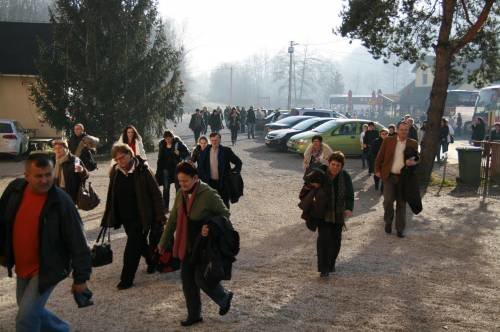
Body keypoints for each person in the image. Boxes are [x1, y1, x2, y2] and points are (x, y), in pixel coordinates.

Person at [0, 153, 91, 332]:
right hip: (22, 265)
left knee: (25, 319)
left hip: (47, 267)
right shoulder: (14, 190)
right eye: (38, 176)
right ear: (26, 176)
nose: (44, 180)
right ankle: (62, 329)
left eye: (48, 175)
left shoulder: (61, 202)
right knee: (29, 309)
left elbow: (78, 240)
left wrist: (81, 278)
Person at [158, 162, 233, 327]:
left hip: (203, 243)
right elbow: (172, 220)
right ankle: (194, 315)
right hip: (186, 243)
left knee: (201, 278)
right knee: (187, 281)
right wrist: (163, 242)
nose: (182, 184)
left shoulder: (208, 194)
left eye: (185, 181)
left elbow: (225, 214)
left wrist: (210, 227)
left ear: (195, 178)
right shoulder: (180, 194)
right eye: (179, 181)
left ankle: (224, 297)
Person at [101, 144, 166, 289]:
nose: (120, 161)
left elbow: (156, 193)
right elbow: (111, 195)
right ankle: (152, 261)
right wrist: (108, 216)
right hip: (125, 218)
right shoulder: (116, 172)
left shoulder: (142, 170)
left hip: (141, 217)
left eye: (122, 157)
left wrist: (160, 216)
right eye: (117, 159)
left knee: (131, 249)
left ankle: (126, 279)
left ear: (130, 155)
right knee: (139, 243)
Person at [309, 152, 354, 277]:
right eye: (333, 164)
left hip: (338, 213)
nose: (335, 167)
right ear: (329, 163)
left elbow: (350, 195)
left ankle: (331, 263)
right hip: (323, 212)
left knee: (336, 241)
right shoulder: (321, 173)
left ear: (342, 166)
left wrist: (349, 208)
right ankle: (323, 268)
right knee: (323, 239)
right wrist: (314, 184)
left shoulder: (345, 176)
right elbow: (307, 180)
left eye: (338, 165)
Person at [375, 121, 418, 238]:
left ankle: (400, 228)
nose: (404, 132)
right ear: (397, 130)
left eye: (406, 130)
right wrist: (377, 170)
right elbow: (380, 155)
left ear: (408, 131)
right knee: (388, 201)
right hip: (389, 176)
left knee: (401, 203)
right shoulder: (388, 140)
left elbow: (417, 158)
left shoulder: (413, 143)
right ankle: (388, 221)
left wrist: (413, 162)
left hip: (404, 178)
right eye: (402, 129)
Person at [199, 133, 242, 209]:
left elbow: (238, 162)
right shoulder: (206, 151)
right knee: (211, 204)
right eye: (212, 140)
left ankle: (225, 220)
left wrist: (233, 173)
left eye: (216, 140)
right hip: (210, 183)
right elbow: (201, 166)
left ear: (220, 140)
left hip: (223, 183)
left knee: (224, 204)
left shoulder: (226, 151)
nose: (214, 142)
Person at [156, 130, 189, 212]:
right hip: (165, 170)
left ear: (172, 137)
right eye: (166, 138)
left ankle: (179, 206)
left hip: (176, 169)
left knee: (178, 188)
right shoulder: (162, 145)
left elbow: (188, 153)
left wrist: (179, 153)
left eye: (169, 138)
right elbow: (160, 159)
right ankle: (165, 208)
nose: (168, 140)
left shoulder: (178, 143)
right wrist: (158, 171)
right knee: (166, 188)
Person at [53, 139, 89, 204]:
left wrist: (82, 170)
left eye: (60, 148)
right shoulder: (53, 160)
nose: (57, 150)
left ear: (66, 148)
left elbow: (85, 176)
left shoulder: (75, 160)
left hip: (70, 192)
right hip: (57, 190)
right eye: (55, 148)